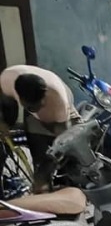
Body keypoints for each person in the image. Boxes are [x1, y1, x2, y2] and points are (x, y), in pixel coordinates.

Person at [0, 65, 79, 193]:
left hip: (59, 114)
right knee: (38, 152)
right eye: (30, 106)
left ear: (44, 95)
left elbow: (62, 142)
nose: (35, 108)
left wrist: (44, 173)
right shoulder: (7, 80)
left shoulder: (58, 101)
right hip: (18, 97)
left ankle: (61, 187)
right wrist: (3, 124)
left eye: (38, 105)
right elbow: (6, 101)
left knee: (64, 154)